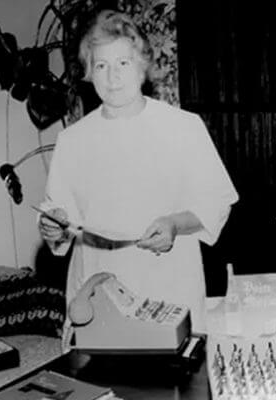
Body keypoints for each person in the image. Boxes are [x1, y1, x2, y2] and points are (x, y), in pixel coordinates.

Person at [37, 9, 239, 335]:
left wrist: (174, 223)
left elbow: (216, 202)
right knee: (101, 380)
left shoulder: (183, 128)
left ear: (141, 66)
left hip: (168, 279)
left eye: (123, 63)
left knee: (172, 379)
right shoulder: (72, 140)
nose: (112, 76)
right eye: (101, 66)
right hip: (96, 285)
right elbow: (60, 217)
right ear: (89, 72)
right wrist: (52, 227)